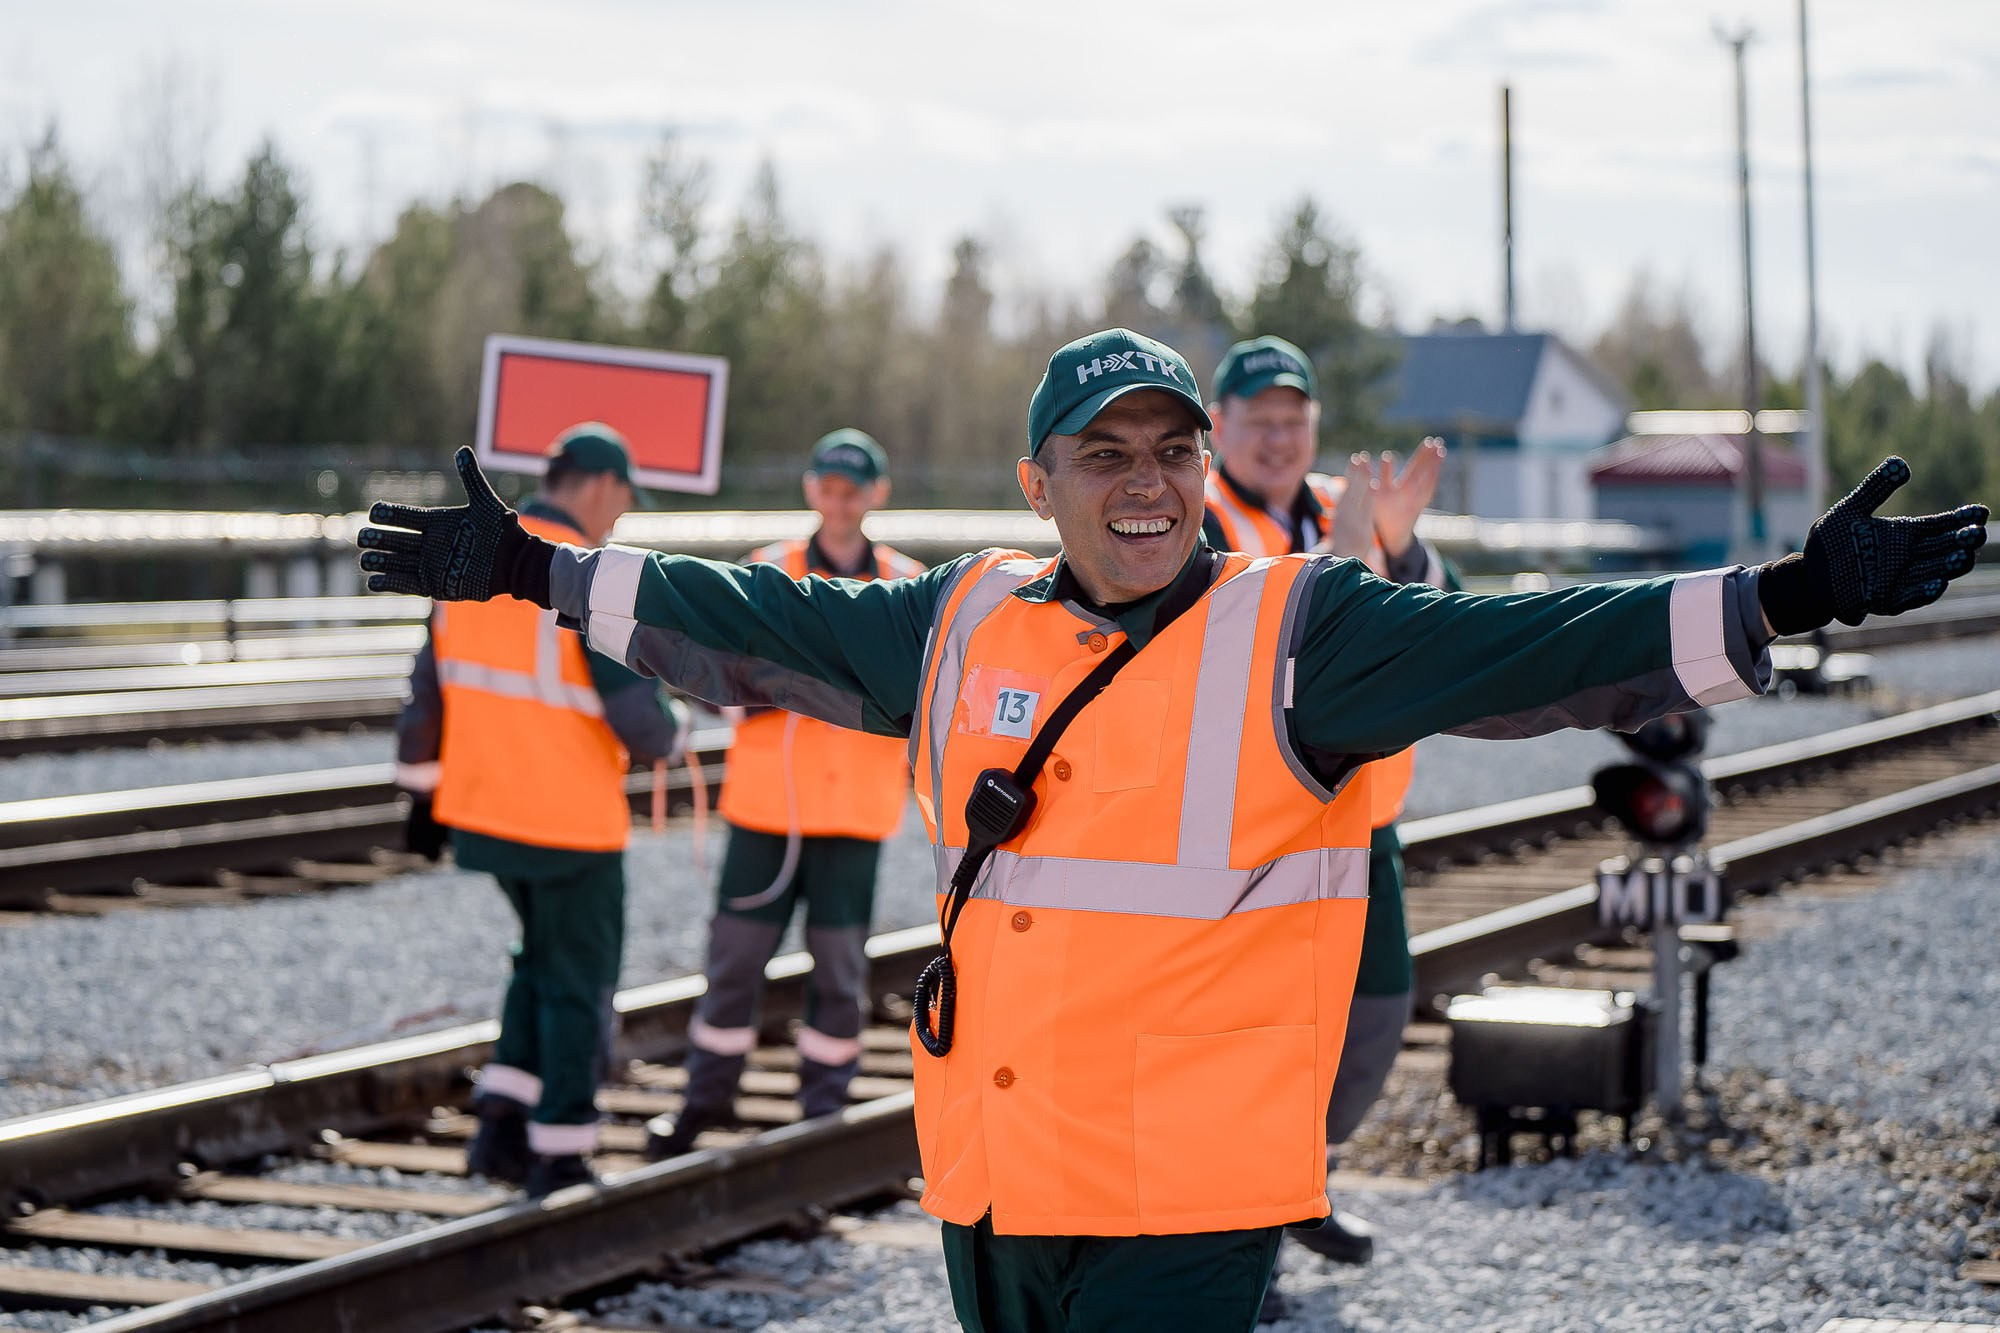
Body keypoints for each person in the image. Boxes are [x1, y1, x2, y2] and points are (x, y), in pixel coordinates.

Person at [361, 328, 1984, 1331]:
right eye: (1106, 455)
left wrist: (1785, 593)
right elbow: (742, 615)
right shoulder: (958, 618)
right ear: (1039, 480)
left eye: (1172, 452)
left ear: (1202, 471)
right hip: (993, 1180)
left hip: (1183, 1197)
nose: (1146, 486)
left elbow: (1543, 644)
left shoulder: (1303, 626)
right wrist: (532, 567)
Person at [1200, 335, 1451, 1287]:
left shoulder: (1352, 510)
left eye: (1293, 421)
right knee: (1248, 1045)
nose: (1276, 437)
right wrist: (1345, 569)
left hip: (1357, 821)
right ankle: (1240, 1242)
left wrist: (1401, 546)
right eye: (1258, 420)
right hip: (1244, 835)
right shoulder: (1199, 516)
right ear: (1219, 427)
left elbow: (1439, 629)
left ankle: (1301, 1179)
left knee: (1375, 1013)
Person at [392, 423, 685, 1197]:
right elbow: (643, 724)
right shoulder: (582, 573)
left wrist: (420, 794)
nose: (621, 518)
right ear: (597, 485)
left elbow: (425, 691)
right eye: (623, 500)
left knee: (536, 963)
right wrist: (678, 728)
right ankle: (560, 1150)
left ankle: (498, 1127)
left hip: (485, 816)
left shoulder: (478, 558)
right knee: (577, 982)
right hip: (568, 824)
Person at [646, 429, 925, 1158]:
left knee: (839, 976)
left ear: (876, 494)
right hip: (766, 813)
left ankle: (822, 1120)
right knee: (734, 964)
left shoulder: (907, 584)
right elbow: (704, 672)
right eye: (829, 486)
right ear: (811, 490)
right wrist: (768, 692)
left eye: (853, 488)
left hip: (855, 817)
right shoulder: (767, 571)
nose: (840, 500)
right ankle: (702, 1105)